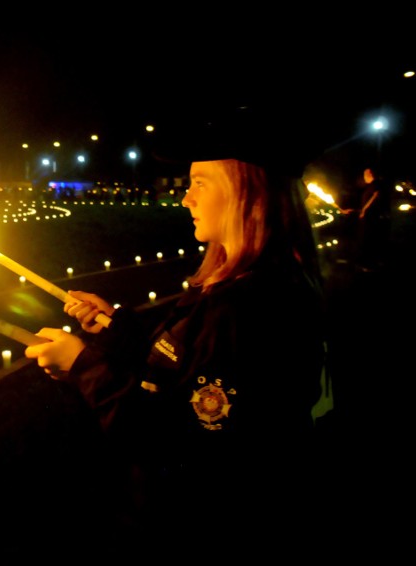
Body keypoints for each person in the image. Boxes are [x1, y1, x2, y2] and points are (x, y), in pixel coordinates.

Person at [24, 113, 329, 550]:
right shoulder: (232, 286)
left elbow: (179, 441)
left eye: (200, 182)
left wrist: (85, 365)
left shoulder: (259, 306)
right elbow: (186, 365)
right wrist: (115, 328)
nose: (186, 199)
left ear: (251, 191)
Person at [355, 165, 392, 272]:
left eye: (365, 174)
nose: (364, 177)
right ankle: (366, 263)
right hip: (367, 218)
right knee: (365, 240)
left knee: (368, 240)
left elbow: (376, 195)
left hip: (370, 219)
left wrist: (365, 210)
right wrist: (357, 210)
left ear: (370, 174)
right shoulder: (371, 186)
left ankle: (368, 264)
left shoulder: (376, 184)